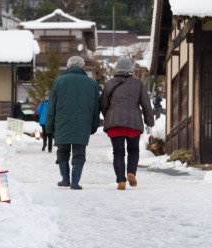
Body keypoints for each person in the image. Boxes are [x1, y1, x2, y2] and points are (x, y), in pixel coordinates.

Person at [45, 56, 100, 190]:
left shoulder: (58, 82)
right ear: (83, 68)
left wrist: (49, 125)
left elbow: (51, 106)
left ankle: (65, 180)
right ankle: (75, 182)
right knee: (79, 153)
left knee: (62, 151)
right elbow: (96, 109)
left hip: (62, 123)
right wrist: (93, 126)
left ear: (67, 67)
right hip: (83, 123)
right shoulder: (92, 84)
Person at [100, 57, 154, 190]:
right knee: (133, 150)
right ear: (130, 69)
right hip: (133, 123)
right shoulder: (138, 83)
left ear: (117, 68)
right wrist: (149, 122)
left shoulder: (109, 83)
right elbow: (146, 105)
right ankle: (131, 173)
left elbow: (103, 104)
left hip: (115, 124)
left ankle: (121, 181)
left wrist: (109, 116)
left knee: (118, 152)